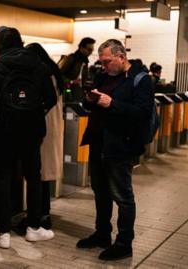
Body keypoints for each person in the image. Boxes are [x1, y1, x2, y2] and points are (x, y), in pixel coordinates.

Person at [0, 26, 57, 249]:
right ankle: (34, 228)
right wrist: (34, 114)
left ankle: (3, 232)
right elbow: (51, 98)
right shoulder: (39, 66)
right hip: (33, 131)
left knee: (3, 177)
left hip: (4, 132)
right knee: (34, 176)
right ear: (20, 41)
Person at [77, 39, 154, 261]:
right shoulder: (103, 76)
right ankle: (102, 234)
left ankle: (124, 243)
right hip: (99, 142)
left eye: (108, 61)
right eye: (101, 62)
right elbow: (95, 104)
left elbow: (142, 112)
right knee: (100, 192)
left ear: (121, 57)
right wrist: (90, 100)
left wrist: (112, 104)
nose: (104, 66)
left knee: (122, 196)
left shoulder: (140, 80)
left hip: (121, 146)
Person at [25, 43, 65, 230]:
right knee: (44, 174)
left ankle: (40, 215)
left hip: (44, 126)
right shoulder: (54, 72)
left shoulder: (42, 74)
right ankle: (43, 213)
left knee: (39, 172)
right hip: (53, 125)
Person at [58, 37, 96, 101]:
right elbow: (58, 75)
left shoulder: (85, 61)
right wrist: (71, 81)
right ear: (81, 48)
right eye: (89, 50)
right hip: (68, 93)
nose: (91, 52)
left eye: (92, 50)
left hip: (78, 93)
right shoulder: (71, 58)